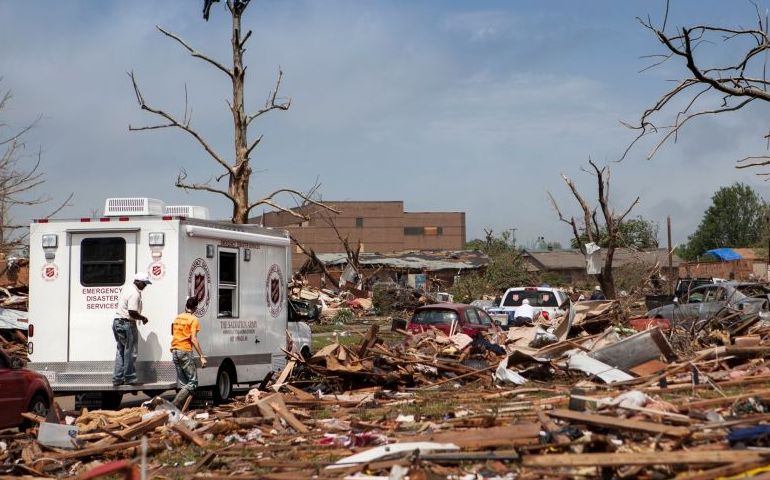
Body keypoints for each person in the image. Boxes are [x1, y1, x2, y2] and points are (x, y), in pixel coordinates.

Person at [112, 272, 152, 386]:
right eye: (144, 283)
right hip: (127, 323)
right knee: (131, 352)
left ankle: (117, 378)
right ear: (138, 282)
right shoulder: (135, 293)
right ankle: (130, 378)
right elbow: (132, 312)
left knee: (121, 350)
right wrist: (143, 318)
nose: (145, 286)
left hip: (117, 321)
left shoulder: (127, 289)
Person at [171, 297, 207, 408]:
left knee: (183, 383)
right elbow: (193, 339)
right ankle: (174, 405)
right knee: (193, 383)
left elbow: (173, 332)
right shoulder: (193, 320)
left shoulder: (177, 318)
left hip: (174, 350)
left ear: (186, 306)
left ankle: (181, 411)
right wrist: (201, 355)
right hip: (185, 351)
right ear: (195, 308)